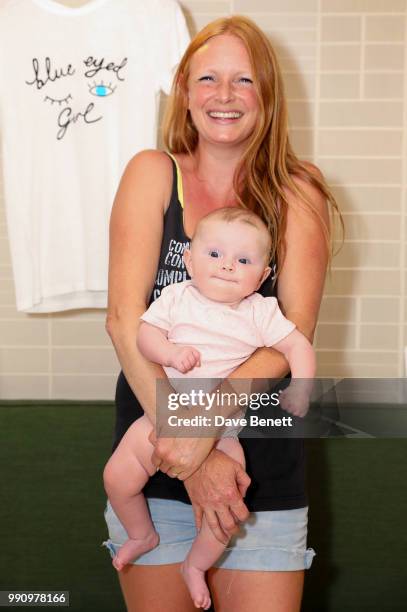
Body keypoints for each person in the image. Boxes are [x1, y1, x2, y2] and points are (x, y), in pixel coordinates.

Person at [104, 14, 341, 612]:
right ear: (185, 92)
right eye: (208, 78)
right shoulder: (152, 174)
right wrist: (191, 448)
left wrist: (205, 431)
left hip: (261, 472)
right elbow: (123, 322)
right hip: (154, 463)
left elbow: (289, 339)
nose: (225, 96)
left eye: (245, 80)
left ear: (267, 97)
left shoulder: (298, 191)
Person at [103, 207, 316, 610]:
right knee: (116, 477)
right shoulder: (176, 296)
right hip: (158, 416)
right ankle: (140, 533)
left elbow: (297, 345)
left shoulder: (260, 311)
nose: (227, 266)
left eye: (244, 260)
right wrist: (169, 351)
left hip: (224, 430)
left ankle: (196, 566)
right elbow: (143, 335)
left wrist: (301, 392)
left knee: (225, 506)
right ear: (188, 259)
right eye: (215, 254)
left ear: (263, 275)